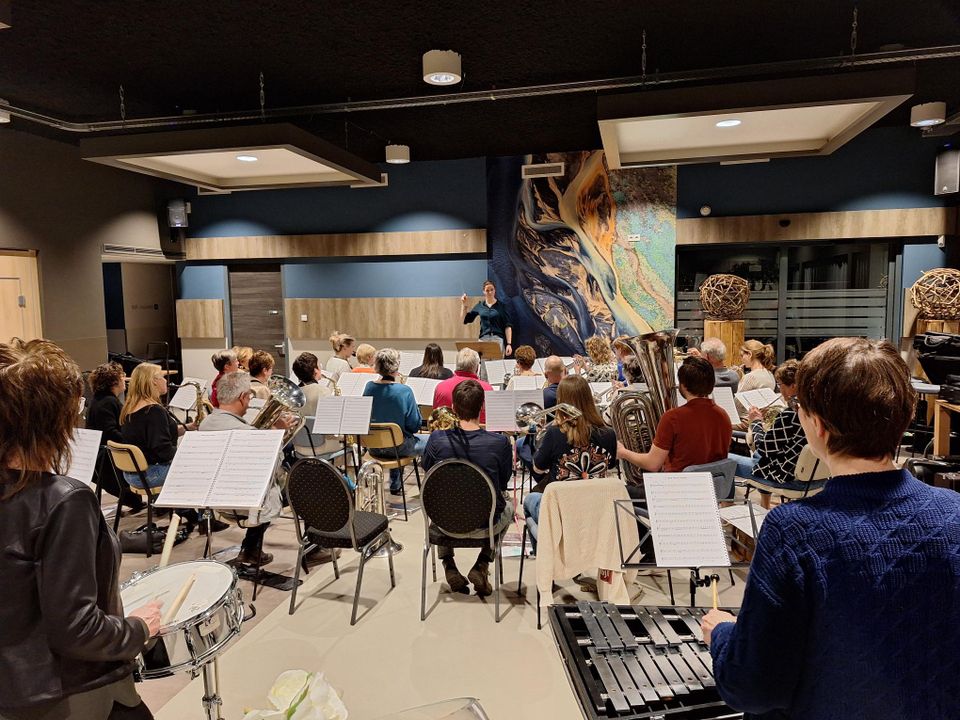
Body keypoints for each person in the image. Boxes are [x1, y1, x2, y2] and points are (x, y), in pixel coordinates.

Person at [701, 337, 960, 720]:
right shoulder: (955, 513)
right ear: (905, 419)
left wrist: (722, 635)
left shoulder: (793, 530)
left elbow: (752, 688)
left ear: (817, 426)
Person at [0, 339, 161, 720]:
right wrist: (139, 628)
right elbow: (77, 630)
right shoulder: (63, 500)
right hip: (71, 695)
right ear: (54, 418)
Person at [421, 380, 513, 596]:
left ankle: (449, 565)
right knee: (508, 506)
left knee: (442, 499)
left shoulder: (435, 439)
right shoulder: (500, 443)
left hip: (444, 524)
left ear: (453, 407)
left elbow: (428, 472)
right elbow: (503, 482)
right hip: (485, 524)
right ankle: (482, 563)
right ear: (482, 408)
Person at [197, 371, 296, 567]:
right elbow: (274, 471)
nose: (250, 403)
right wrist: (278, 434)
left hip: (213, 497)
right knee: (295, 484)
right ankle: (314, 545)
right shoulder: (247, 432)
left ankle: (250, 549)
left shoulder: (205, 423)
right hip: (242, 502)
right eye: (249, 397)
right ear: (242, 397)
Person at [119, 363, 209, 532]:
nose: (166, 381)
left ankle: (188, 513)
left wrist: (189, 426)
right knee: (201, 470)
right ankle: (203, 520)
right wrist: (190, 456)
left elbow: (161, 434)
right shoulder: (154, 411)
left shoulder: (131, 408)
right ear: (152, 382)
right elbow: (163, 451)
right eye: (162, 377)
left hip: (132, 474)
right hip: (151, 474)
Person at [523, 375, 618, 530]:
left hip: (561, 512)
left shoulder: (554, 433)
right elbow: (611, 464)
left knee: (529, 500)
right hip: (596, 510)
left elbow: (537, 468)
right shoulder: (609, 434)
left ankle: (546, 549)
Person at [618, 355, 732, 473]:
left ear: (682, 386)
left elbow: (652, 464)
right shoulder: (723, 415)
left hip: (679, 487)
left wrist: (623, 452)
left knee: (626, 489)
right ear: (712, 384)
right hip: (717, 488)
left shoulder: (673, 417)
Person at [728, 360, 805, 508]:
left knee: (724, 460)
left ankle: (726, 509)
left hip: (784, 477)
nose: (779, 389)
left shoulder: (790, 415)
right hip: (814, 478)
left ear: (793, 386)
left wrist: (756, 421)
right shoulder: (815, 411)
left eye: (780, 385)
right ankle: (764, 505)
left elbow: (762, 448)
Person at [364, 348, 426, 495]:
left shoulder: (369, 387)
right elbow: (414, 426)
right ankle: (430, 488)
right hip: (398, 448)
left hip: (372, 447)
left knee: (395, 436)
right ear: (396, 367)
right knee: (433, 440)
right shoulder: (404, 391)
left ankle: (395, 484)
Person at [86, 362, 142, 512]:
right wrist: (134, 442)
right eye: (122, 377)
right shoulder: (107, 402)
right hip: (106, 460)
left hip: (102, 456)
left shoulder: (100, 399)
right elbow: (110, 432)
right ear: (114, 381)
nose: (125, 379)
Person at [290, 351, 341, 458]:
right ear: (315, 371)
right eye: (319, 366)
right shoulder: (323, 391)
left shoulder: (293, 394)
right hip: (321, 446)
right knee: (354, 446)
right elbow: (333, 424)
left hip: (298, 447)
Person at [432, 348, 494, 423]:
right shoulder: (487, 388)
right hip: (480, 432)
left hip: (447, 434)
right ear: (477, 368)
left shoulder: (441, 387)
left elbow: (436, 418)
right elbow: (491, 421)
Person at [460, 280, 513, 357]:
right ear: (483, 292)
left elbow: (508, 326)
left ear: (495, 290)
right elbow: (464, 320)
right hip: (483, 339)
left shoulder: (502, 306)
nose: (490, 292)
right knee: (484, 365)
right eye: (487, 290)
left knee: (497, 365)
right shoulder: (480, 306)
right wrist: (463, 304)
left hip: (497, 339)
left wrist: (509, 344)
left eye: (492, 290)